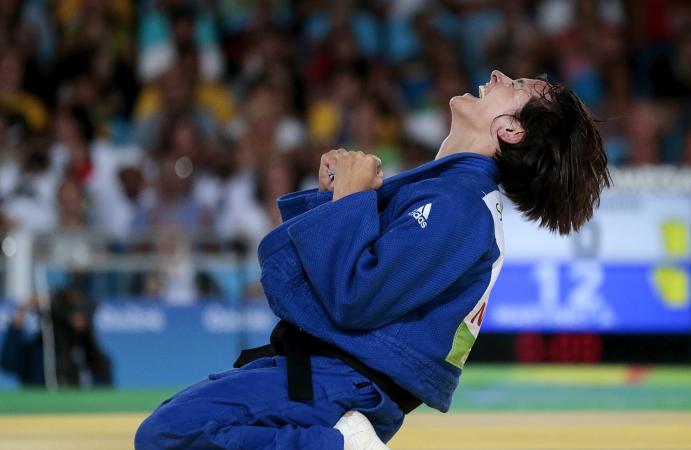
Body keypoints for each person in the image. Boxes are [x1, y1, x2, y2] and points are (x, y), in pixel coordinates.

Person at [135, 70, 610, 449]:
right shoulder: (451, 193)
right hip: (334, 377)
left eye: (518, 86)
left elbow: (355, 296)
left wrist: (350, 202)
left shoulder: (461, 204)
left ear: (509, 129)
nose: (498, 74)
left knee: (170, 435)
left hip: (341, 383)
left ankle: (337, 444)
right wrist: (338, 195)